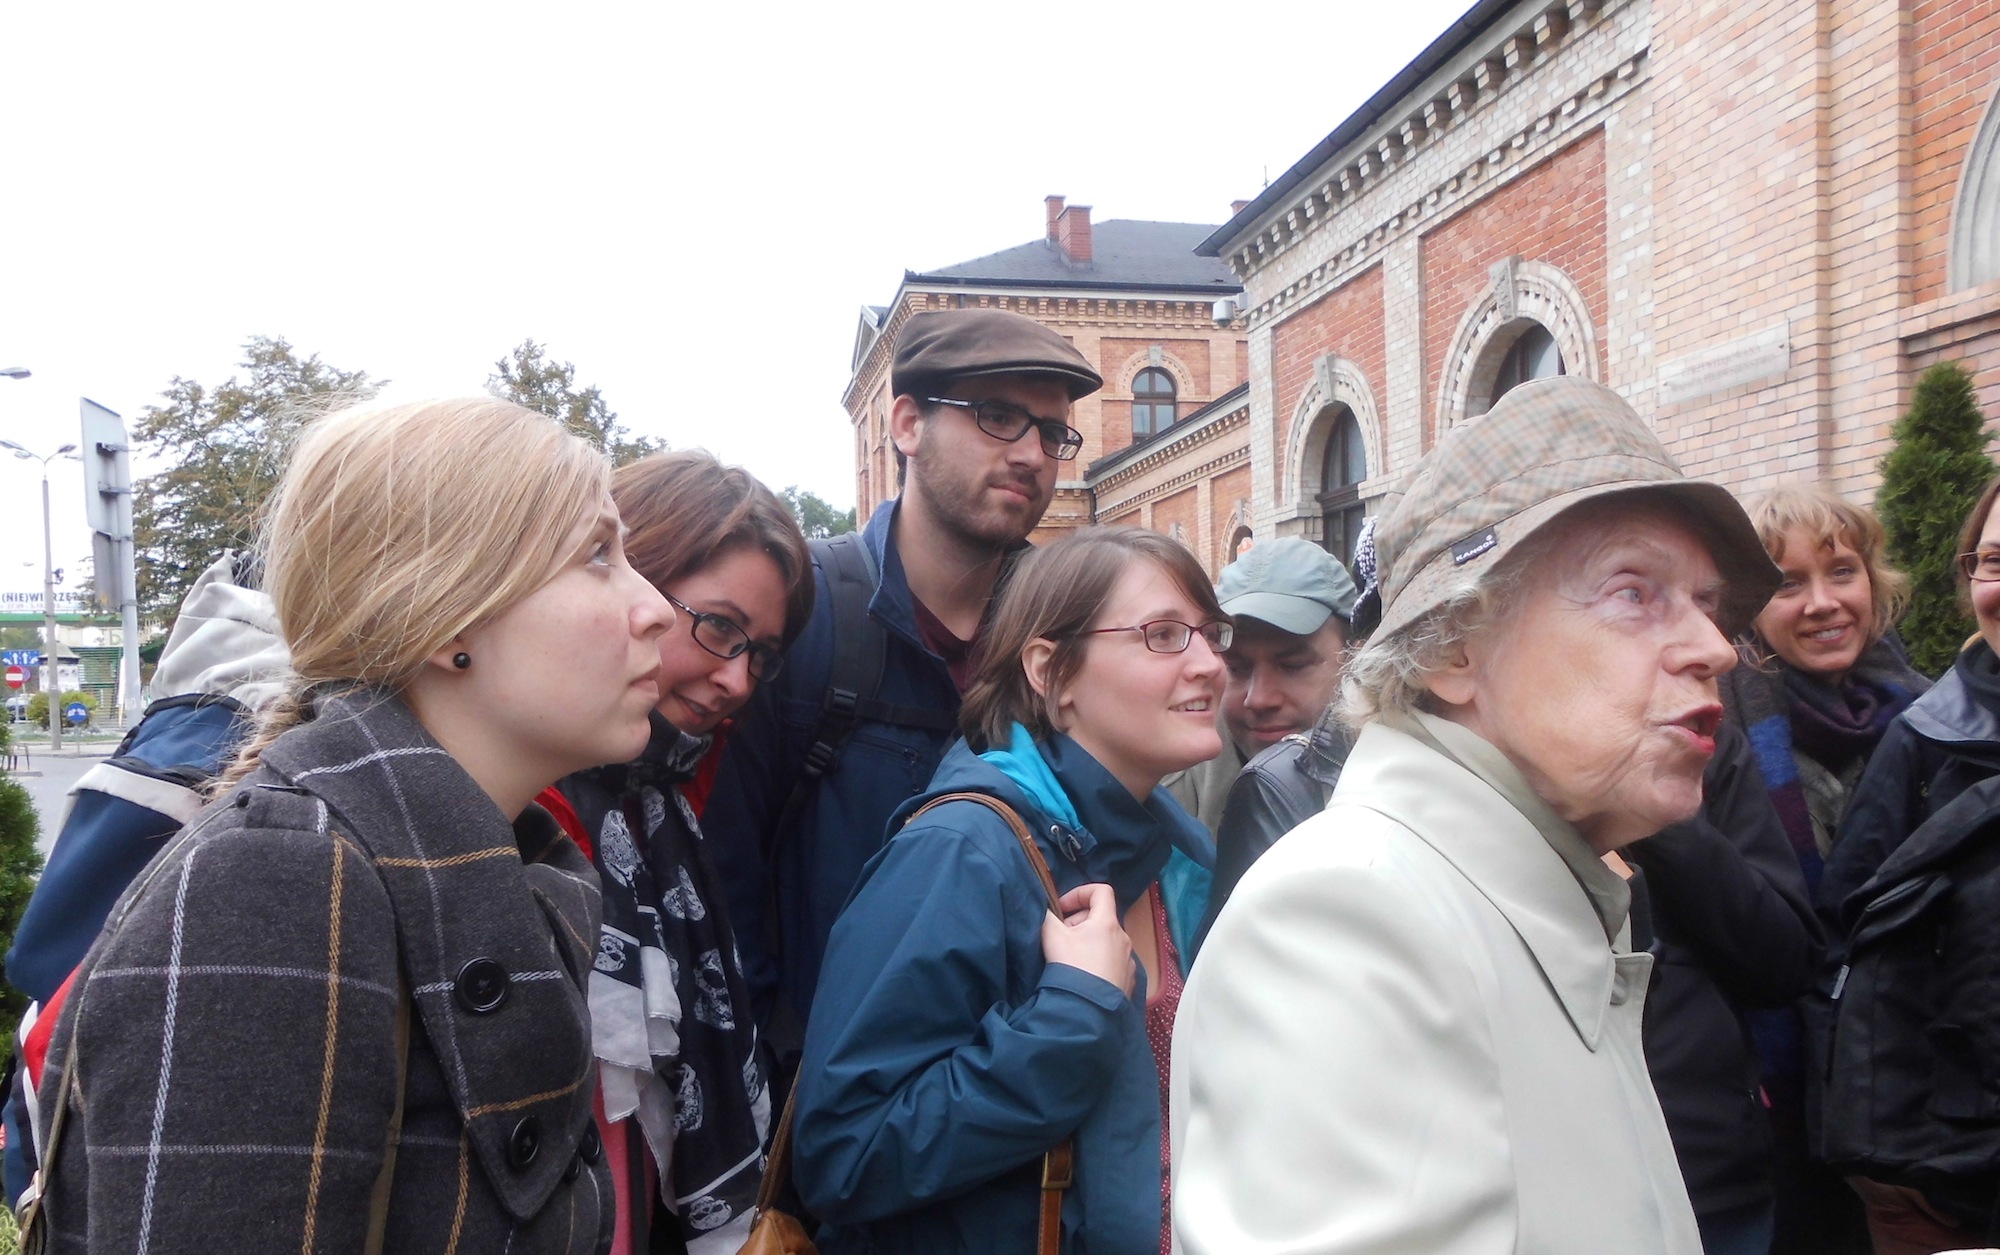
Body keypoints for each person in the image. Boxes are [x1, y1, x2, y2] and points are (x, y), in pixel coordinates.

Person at [24, 398, 673, 1254]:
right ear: (448, 610)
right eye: (598, 553)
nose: (657, 607)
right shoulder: (276, 884)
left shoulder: (483, 857)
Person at [1172, 377, 1780, 1255]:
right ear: (1456, 644)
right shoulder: (1352, 922)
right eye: (1634, 592)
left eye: (1707, 604)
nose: (1715, 647)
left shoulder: (1513, 892)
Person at [793, 527, 1223, 1255]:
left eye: (1213, 634)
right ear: (1051, 671)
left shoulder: (1182, 856)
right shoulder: (959, 854)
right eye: (1164, 635)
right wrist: (1068, 1017)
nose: (1211, 663)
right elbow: (845, 1153)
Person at [703, 307, 1103, 1049]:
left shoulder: (1066, 637)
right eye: (997, 416)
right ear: (908, 423)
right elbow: (724, 885)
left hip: (1006, 1098)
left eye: (1052, 433)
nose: (1032, 454)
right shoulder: (807, 612)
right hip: (816, 1101)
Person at [549, 450, 813, 1254]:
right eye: (721, 628)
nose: (738, 680)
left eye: (760, 654)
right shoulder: (514, 805)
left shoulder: (667, 801)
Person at [1723, 483, 1926, 1255]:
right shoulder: (1723, 728)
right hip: (1769, 1097)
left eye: (1841, 571)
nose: (1821, 602)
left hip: (1907, 1083)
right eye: (1786, 582)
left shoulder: (1931, 717)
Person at [1817, 472, 2000, 1253]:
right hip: (1949, 1186)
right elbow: (1842, 947)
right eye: (1992, 561)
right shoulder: (1925, 739)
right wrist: (1895, 1181)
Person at [1167, 537, 1357, 938]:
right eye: (1236, 668)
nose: (1259, 699)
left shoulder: (1405, 785)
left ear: (1356, 658)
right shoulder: (1169, 800)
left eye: (1293, 665)